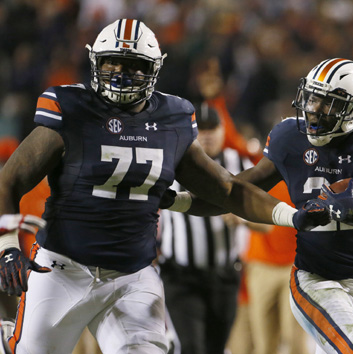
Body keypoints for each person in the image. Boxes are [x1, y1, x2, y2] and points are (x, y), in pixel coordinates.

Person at [0, 19, 328, 354]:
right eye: (113, 62)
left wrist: (288, 215)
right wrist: (7, 244)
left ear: (154, 69)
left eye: (134, 65)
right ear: (96, 61)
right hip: (63, 268)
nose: (121, 73)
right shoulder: (71, 108)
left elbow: (226, 191)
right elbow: (9, 179)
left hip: (132, 276)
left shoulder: (172, 118)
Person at [166, 58, 353, 353]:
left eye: (328, 103)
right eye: (313, 98)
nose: (314, 110)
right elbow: (234, 192)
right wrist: (177, 200)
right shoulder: (291, 137)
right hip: (317, 280)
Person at [158, 104, 268, 354]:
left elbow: (267, 226)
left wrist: (244, 219)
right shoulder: (169, 162)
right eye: (201, 128)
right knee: (193, 347)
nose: (206, 134)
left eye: (212, 128)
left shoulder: (238, 164)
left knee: (215, 348)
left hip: (224, 276)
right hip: (180, 275)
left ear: (223, 131)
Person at [244, 182, 309, 354]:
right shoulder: (254, 168)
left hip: (297, 264)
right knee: (264, 345)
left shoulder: (305, 168)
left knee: (295, 341)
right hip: (261, 266)